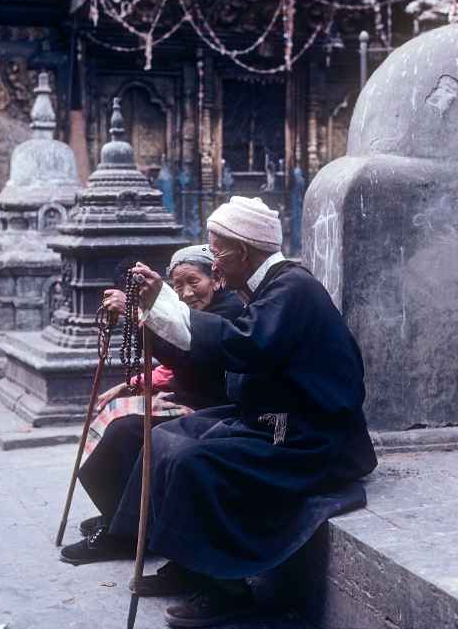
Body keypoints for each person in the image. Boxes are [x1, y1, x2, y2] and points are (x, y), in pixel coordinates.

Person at [112, 196, 377, 628]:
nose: (213, 263)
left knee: (195, 460)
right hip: (271, 420)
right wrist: (155, 314)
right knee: (164, 438)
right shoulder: (262, 288)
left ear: (244, 251)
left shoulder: (292, 287)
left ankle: (225, 587)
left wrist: (163, 305)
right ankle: (187, 561)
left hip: (309, 435)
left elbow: (246, 343)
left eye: (217, 252)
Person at [59, 244, 243, 566]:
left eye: (193, 282)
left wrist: (137, 315)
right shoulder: (189, 310)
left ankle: (124, 535)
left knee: (126, 431)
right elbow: (173, 362)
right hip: (185, 397)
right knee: (109, 417)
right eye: (178, 285)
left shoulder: (228, 312)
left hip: (213, 408)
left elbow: (189, 356)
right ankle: (118, 515)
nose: (186, 293)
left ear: (216, 279)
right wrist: (134, 383)